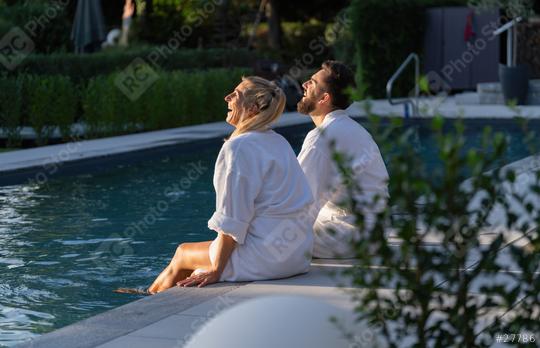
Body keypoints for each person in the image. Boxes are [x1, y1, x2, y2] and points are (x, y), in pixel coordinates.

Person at [147, 76, 314, 293]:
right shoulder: (278, 142)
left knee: (182, 254)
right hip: (298, 254)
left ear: (253, 108)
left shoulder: (238, 148)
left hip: (267, 258)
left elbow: (232, 220)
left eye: (236, 94)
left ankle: (146, 302)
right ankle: (150, 294)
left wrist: (217, 270)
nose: (227, 97)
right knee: (194, 259)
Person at [297, 61, 389, 259]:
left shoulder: (321, 138)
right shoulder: (355, 129)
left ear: (324, 98)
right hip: (374, 233)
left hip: (346, 238)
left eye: (312, 83)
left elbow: (297, 199)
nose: (304, 84)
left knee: (260, 241)